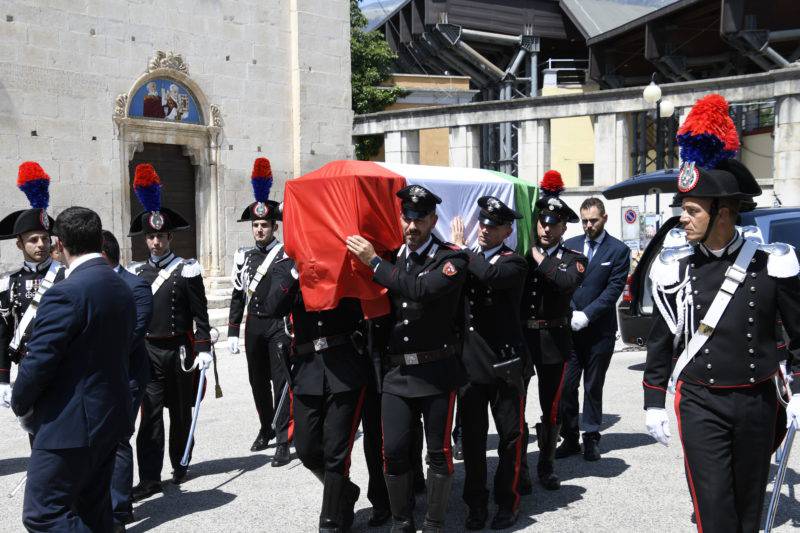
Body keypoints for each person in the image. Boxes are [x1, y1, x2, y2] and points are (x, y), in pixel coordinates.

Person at [643, 93, 800, 533]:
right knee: (713, 506)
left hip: (756, 400)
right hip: (700, 401)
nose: (684, 220)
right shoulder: (676, 267)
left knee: (749, 505)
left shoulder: (773, 263)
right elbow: (662, 338)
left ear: (724, 214)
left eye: (693, 211)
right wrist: (653, 400)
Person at [347, 184, 468, 533]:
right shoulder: (393, 257)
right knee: (395, 451)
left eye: (419, 219)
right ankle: (402, 521)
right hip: (397, 374)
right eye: (406, 218)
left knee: (438, 453)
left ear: (433, 220)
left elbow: (418, 289)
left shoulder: (451, 259)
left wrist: (371, 261)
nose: (412, 226)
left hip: (436, 372)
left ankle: (433, 522)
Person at [11, 206, 136, 531]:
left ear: (60, 244)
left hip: (70, 424)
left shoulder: (65, 294)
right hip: (108, 417)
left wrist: (20, 402)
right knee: (93, 512)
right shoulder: (121, 285)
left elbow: (39, 361)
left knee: (44, 514)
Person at [263, 242, 370, 532]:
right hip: (308, 367)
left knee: (337, 451)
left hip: (343, 363)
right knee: (308, 449)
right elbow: (272, 307)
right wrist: (297, 272)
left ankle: (331, 521)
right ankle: (345, 493)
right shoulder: (285, 268)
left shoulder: (343, 259)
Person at [127, 163, 212, 501]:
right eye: (151, 236)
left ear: (169, 237)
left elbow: (200, 313)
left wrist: (204, 347)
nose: (157, 241)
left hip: (179, 350)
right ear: (145, 239)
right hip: (147, 352)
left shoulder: (187, 270)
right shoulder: (136, 273)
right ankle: (149, 478)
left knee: (180, 412)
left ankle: (180, 461)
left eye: (161, 236)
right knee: (149, 416)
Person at [449, 196, 528, 530]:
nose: (484, 229)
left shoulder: (514, 262)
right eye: (482, 223)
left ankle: (507, 502)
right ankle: (475, 504)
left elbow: (491, 275)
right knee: (473, 441)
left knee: (510, 438)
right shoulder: (470, 258)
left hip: (504, 364)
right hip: (470, 365)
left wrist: (460, 248)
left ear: (507, 231)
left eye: (492, 226)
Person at [520, 170, 587, 491]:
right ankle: (518, 466)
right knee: (514, 406)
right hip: (522, 339)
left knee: (551, 406)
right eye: (542, 222)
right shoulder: (520, 253)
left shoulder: (575, 258)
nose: (546, 228)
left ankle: (545, 466)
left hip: (554, 340)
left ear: (563, 228)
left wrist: (536, 254)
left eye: (553, 224)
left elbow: (564, 282)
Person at [228, 157, 292, 466]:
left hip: (277, 326)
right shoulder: (244, 256)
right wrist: (231, 330)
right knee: (257, 381)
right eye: (255, 225)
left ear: (274, 226)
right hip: (253, 326)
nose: (259, 230)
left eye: (264, 225)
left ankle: (282, 439)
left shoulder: (284, 255)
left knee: (280, 382)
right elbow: (238, 294)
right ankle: (265, 427)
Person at [558, 197, 630, 461]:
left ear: (604, 219)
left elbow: (613, 291)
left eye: (593, 220)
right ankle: (569, 436)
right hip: (571, 330)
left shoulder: (618, 250)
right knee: (566, 385)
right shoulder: (570, 246)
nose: (588, 225)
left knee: (592, 385)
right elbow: (562, 282)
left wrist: (587, 315)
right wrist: (570, 312)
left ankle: (591, 437)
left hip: (599, 331)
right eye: (585, 220)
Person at [0, 162, 65, 408]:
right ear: (20, 245)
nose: (41, 244)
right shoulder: (8, 283)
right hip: (29, 368)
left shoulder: (65, 276)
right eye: (33, 240)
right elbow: (3, 333)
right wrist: (3, 379)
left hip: (64, 364)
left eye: (45, 238)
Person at [102, 230, 153, 531]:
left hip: (126, 376)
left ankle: (119, 511)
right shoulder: (82, 284)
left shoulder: (135, 286)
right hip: (94, 378)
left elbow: (134, 334)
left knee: (119, 438)